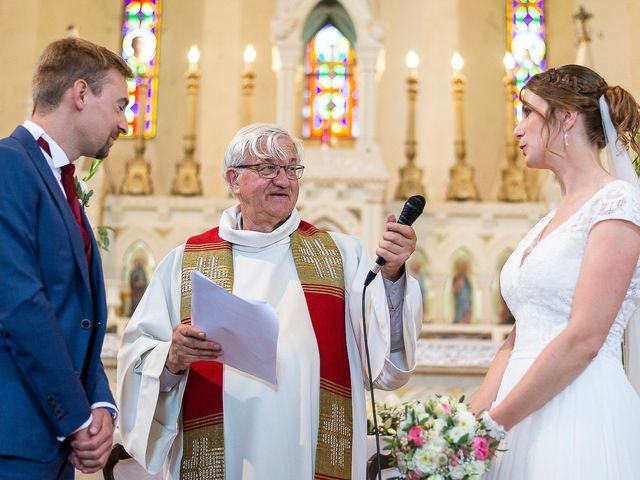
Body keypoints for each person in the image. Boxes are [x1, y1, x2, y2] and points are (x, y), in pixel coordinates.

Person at [117, 123, 423, 479]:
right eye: (267, 168)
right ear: (234, 180)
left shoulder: (340, 255)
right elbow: (138, 355)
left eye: (292, 168)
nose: (283, 180)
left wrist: (392, 274)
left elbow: (382, 358)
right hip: (223, 452)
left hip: (309, 454)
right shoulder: (185, 262)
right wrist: (171, 358)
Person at [471, 65, 640, 479]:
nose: (517, 129)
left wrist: (497, 423)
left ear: (565, 118)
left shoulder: (616, 203)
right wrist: (470, 424)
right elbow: (519, 334)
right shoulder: (548, 220)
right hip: (516, 412)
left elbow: (584, 338)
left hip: (577, 410)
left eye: (528, 112)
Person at [0, 38, 131, 479]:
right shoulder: (8, 166)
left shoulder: (61, 181)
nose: (124, 122)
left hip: (52, 447)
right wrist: (77, 418)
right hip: (15, 441)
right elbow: (20, 305)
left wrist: (99, 402)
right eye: (119, 105)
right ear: (80, 94)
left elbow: (78, 317)